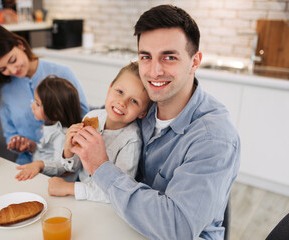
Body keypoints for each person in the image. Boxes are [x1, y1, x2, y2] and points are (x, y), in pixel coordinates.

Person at [67, 5, 241, 240]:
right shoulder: (140, 107)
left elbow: (176, 228)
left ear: (195, 61)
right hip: (128, 224)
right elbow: (102, 114)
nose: (154, 71)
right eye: (146, 57)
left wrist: (100, 167)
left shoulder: (214, 138)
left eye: (169, 57)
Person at [0, 24, 90, 165]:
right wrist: (18, 144)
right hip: (27, 163)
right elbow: (10, 134)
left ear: (20, 45)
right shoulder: (3, 90)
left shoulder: (62, 73)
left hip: (67, 164)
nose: (12, 69)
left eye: (12, 60)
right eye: (3, 68)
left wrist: (67, 155)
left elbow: (84, 120)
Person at [47, 62, 151, 203]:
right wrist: (68, 149)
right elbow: (73, 166)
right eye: (120, 92)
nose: (122, 102)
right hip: (81, 199)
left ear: (142, 113)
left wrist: (68, 188)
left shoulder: (131, 141)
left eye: (133, 101)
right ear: (110, 89)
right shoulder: (92, 117)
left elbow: (118, 192)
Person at [14, 75, 82, 182]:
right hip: (40, 175)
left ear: (54, 113)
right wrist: (32, 147)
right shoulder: (50, 125)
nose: (32, 106)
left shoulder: (62, 135)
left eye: (37, 104)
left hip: (52, 182)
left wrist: (39, 164)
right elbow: (47, 151)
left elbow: (62, 166)